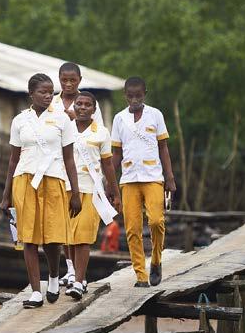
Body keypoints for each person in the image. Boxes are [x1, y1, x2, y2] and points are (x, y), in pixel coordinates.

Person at [1, 73, 82, 308]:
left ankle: (55, 277)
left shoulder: (62, 120)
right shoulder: (20, 121)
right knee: (28, 238)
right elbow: (13, 160)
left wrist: (75, 192)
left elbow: (69, 160)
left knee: (53, 238)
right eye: (43, 92)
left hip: (53, 180)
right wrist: (6, 194)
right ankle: (36, 291)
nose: (48, 96)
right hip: (24, 181)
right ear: (31, 94)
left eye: (50, 92)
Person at [111, 76, 176, 287]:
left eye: (138, 96)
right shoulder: (119, 119)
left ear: (144, 94)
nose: (134, 100)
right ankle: (140, 274)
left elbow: (163, 148)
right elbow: (116, 153)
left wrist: (170, 178)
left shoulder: (155, 115)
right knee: (132, 228)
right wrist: (109, 180)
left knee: (156, 221)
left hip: (153, 176)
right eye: (130, 96)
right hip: (129, 178)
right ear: (125, 96)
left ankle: (156, 260)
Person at [64, 92, 121, 300]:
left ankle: (79, 282)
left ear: (94, 109)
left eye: (87, 105)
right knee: (66, 235)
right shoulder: (65, 128)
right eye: (79, 104)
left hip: (90, 188)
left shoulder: (102, 133)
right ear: (74, 106)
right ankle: (71, 274)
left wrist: (115, 192)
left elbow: (107, 164)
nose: (82, 108)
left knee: (83, 237)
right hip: (65, 186)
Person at [52, 61, 103, 283]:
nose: (69, 83)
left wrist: (73, 117)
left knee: (81, 227)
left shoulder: (88, 102)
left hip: (85, 168)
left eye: (73, 80)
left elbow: (97, 131)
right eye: (65, 80)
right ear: (59, 79)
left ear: (80, 81)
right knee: (63, 223)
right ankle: (70, 268)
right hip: (57, 166)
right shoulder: (52, 101)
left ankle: (78, 274)